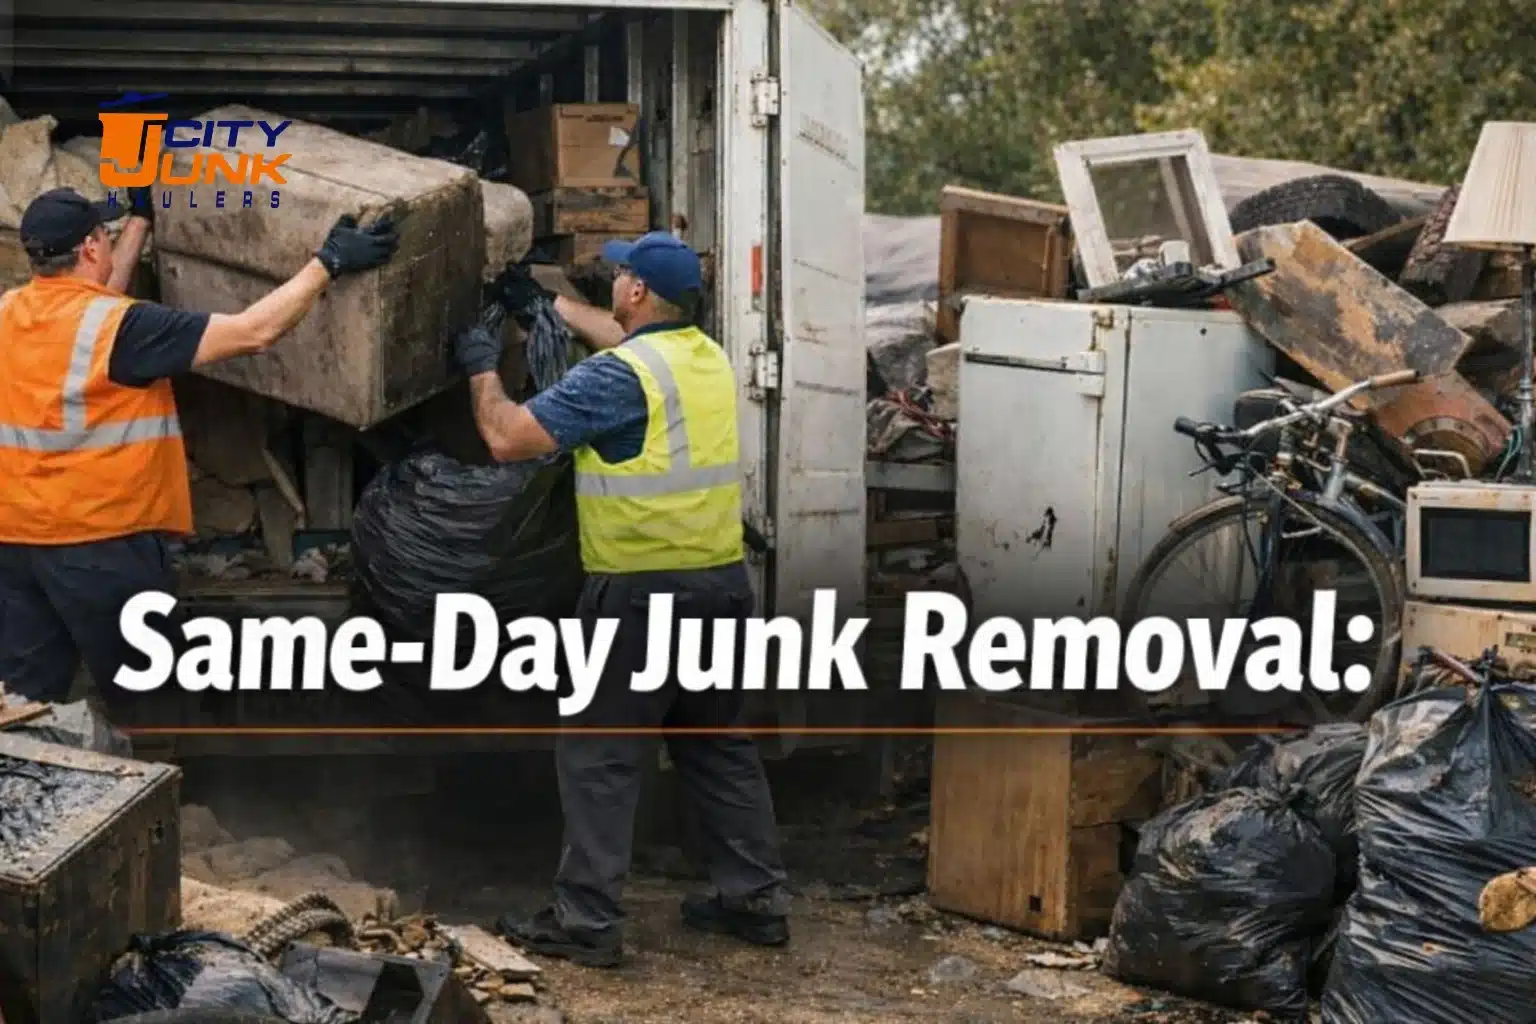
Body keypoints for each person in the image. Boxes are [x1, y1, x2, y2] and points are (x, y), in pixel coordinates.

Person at [453, 232, 791, 967]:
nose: (614, 283)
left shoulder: (617, 379)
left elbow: (506, 437)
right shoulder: (704, 357)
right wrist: (551, 307)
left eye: (620, 275)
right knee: (716, 746)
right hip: (721, 588)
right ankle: (755, 899)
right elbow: (629, 340)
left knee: (599, 755)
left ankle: (587, 920)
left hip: (641, 597)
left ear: (637, 291)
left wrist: (482, 368)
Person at [0, 186, 399, 707]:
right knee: (153, 696)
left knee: (27, 702)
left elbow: (96, 306)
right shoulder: (124, 330)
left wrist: (140, 222)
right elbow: (254, 332)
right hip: (100, 544)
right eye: (106, 233)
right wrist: (329, 262)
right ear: (92, 248)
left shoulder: (12, 309)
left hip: (16, 544)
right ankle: (159, 783)